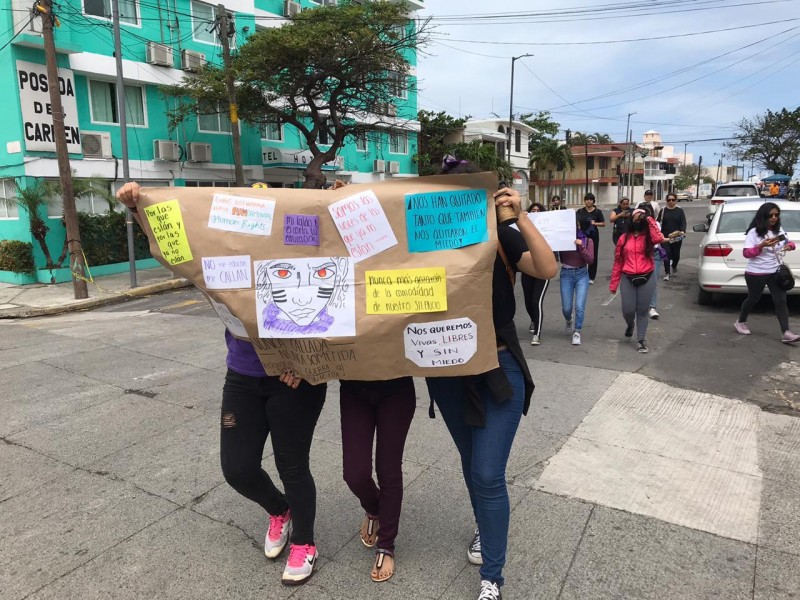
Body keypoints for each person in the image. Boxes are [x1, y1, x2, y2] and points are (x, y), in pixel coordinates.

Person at [116, 182, 328, 587]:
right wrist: (137, 209)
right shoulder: (218, 259)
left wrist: (306, 364)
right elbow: (176, 249)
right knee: (237, 468)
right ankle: (280, 511)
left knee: (292, 465)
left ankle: (305, 541)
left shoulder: (297, 256)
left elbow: (336, 307)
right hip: (243, 377)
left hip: (294, 380)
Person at [426, 159, 557, 600]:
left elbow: (546, 268)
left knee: (486, 473)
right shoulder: (422, 237)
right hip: (447, 375)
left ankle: (492, 578)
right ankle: (485, 528)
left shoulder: (501, 235)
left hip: (500, 370)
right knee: (470, 462)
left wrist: (519, 215)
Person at [338, 377, 416, 582]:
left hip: (396, 387)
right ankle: (374, 509)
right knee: (355, 474)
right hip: (353, 388)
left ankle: (386, 545)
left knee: (388, 469)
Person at [734, 202, 800, 343]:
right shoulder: (754, 233)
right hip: (756, 273)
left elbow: (790, 242)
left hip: (776, 271)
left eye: (776, 215)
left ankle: (786, 332)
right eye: (771, 215)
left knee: (781, 300)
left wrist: (789, 246)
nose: (774, 218)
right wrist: (761, 245)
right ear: (764, 216)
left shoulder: (778, 230)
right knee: (753, 298)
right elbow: (747, 253)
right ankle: (740, 321)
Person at [609, 207, 666, 353]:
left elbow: (659, 238)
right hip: (627, 276)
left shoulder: (649, 237)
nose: (638, 219)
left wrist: (648, 219)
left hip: (647, 275)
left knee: (642, 310)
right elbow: (618, 261)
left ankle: (641, 340)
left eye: (641, 217)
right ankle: (630, 325)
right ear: (631, 219)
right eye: (636, 216)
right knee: (628, 310)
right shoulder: (624, 238)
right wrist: (614, 283)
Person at [560, 221, 594, 346]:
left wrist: (581, 247)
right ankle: (569, 319)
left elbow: (590, 260)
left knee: (580, 306)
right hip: (566, 274)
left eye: (577, 225)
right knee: (566, 307)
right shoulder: (562, 239)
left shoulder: (587, 241)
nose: (574, 227)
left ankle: (577, 332)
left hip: (582, 274)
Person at [522, 202, 549, 345]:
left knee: (536, 301)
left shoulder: (547, 229)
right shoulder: (524, 228)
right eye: (533, 210)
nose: (536, 212)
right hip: (528, 269)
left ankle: (537, 334)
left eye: (539, 210)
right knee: (527, 301)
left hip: (542, 270)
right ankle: (534, 319)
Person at [657, 193, 687, 281]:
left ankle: (674, 266)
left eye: (673, 200)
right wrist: (658, 233)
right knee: (666, 254)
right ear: (666, 201)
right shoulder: (663, 210)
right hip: (665, 237)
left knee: (676, 255)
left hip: (676, 237)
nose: (671, 202)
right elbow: (657, 223)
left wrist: (682, 231)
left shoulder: (679, 210)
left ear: (676, 200)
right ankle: (667, 273)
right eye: (669, 200)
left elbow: (683, 222)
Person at [576, 192, 605, 283]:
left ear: (593, 201)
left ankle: (591, 277)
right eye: (587, 199)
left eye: (591, 200)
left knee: (593, 254)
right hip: (581, 234)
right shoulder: (580, 211)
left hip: (593, 235)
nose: (589, 201)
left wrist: (595, 223)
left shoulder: (597, 212)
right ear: (584, 201)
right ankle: (581, 273)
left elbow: (603, 223)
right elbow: (575, 221)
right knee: (581, 253)